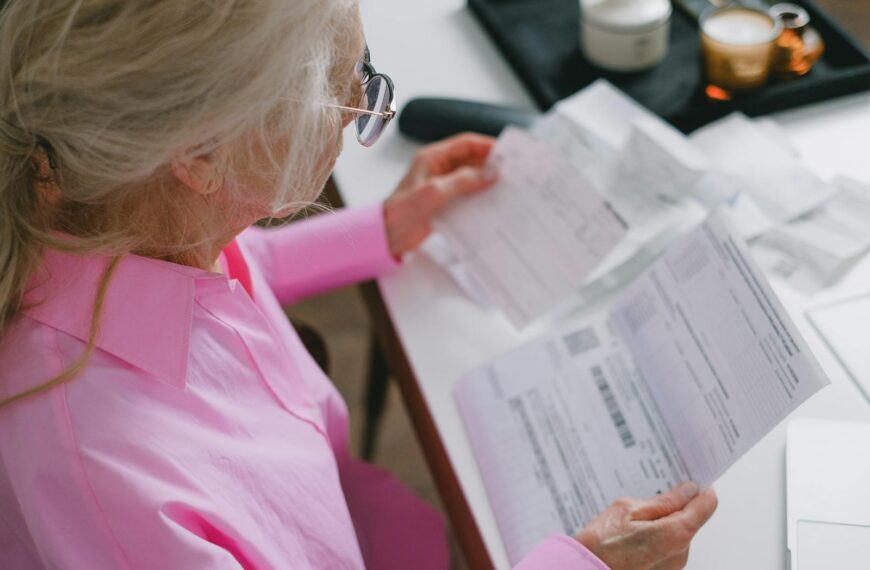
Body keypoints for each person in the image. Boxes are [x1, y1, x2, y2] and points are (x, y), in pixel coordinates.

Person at [0, 1, 717, 568]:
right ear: (201, 152)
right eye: (342, 87)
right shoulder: (120, 501)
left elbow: (241, 273)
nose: (357, 107)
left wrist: (384, 228)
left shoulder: (125, 219)